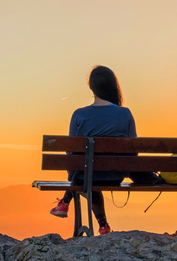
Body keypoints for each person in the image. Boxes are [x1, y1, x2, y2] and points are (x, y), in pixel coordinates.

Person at [49, 65, 160, 235]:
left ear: (91, 87)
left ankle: (66, 203)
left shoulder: (79, 115)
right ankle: (103, 226)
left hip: (84, 177)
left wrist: (72, 179)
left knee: (89, 174)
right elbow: (134, 153)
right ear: (113, 86)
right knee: (93, 174)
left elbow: (71, 154)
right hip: (115, 176)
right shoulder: (125, 114)